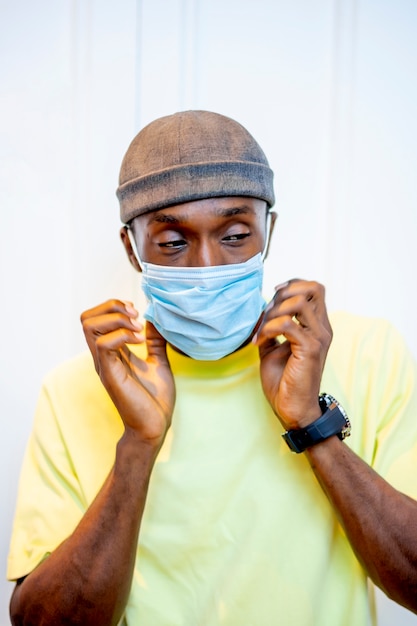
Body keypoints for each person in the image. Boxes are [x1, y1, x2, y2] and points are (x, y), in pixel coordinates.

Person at [7, 110, 417, 626]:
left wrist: (312, 423)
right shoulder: (74, 390)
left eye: (235, 234)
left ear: (269, 230)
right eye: (174, 243)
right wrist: (138, 444)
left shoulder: (368, 353)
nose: (206, 268)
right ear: (132, 250)